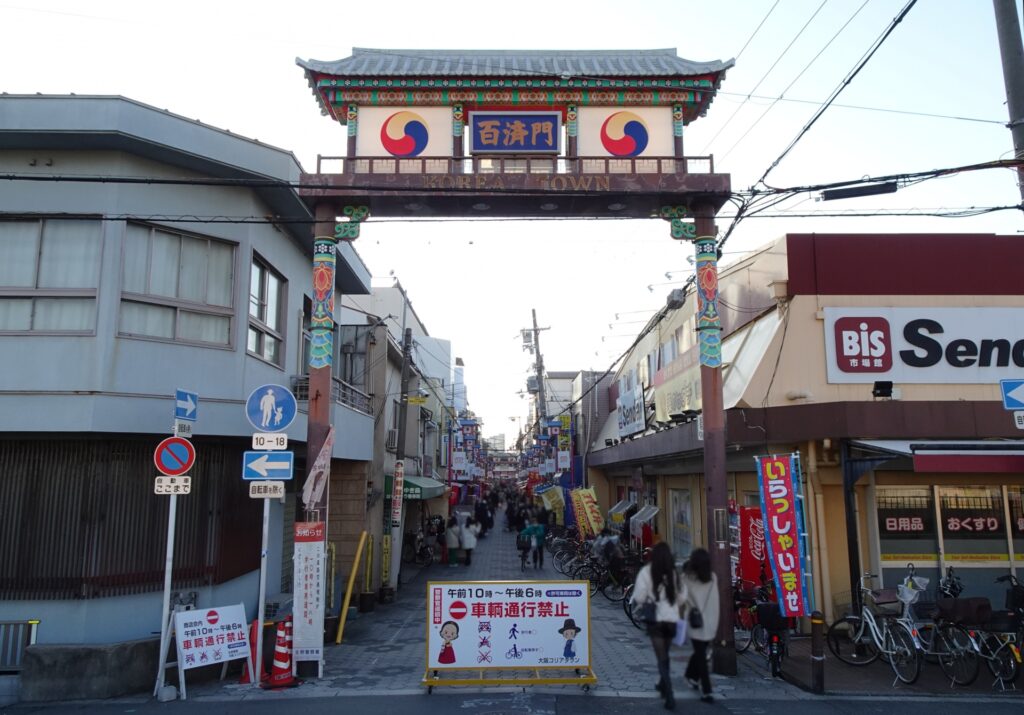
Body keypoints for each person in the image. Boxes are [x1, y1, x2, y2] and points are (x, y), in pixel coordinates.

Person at [630, 541, 687, 711]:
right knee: (665, 655)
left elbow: (639, 596)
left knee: (661, 657)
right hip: (671, 620)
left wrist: (649, 599)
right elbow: (683, 597)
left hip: (655, 620)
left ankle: (668, 692)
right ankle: (662, 684)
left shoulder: (647, 572)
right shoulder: (674, 574)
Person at [681, 548, 720, 703]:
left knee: (700, 654)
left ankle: (706, 690)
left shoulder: (687, 579)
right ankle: (692, 677)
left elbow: (681, 598)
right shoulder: (713, 578)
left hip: (695, 622)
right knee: (701, 652)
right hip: (711, 621)